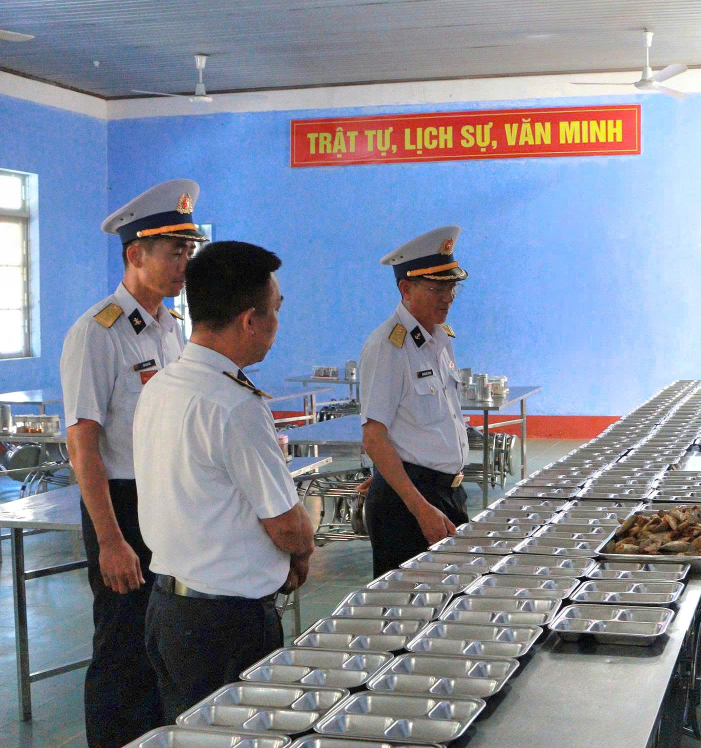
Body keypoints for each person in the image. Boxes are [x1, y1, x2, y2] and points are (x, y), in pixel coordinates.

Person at [134, 240, 314, 721]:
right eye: (276, 310)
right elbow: (287, 525)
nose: (277, 324)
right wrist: (301, 553)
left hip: (168, 610)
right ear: (250, 320)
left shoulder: (161, 386)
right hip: (225, 625)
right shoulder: (235, 405)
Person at [59, 179, 207, 748]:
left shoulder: (172, 329)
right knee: (122, 649)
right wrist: (110, 540)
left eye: (188, 251)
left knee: (163, 642)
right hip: (120, 506)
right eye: (174, 252)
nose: (184, 264)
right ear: (135, 254)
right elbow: (83, 444)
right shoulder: (97, 333)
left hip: (167, 502)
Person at [358, 225, 471, 576]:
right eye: (437, 288)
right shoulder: (388, 347)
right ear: (406, 289)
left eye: (452, 287)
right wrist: (418, 506)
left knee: (450, 596)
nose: (448, 297)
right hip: (411, 507)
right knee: (409, 602)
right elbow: (374, 437)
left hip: (445, 493)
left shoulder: (440, 340)